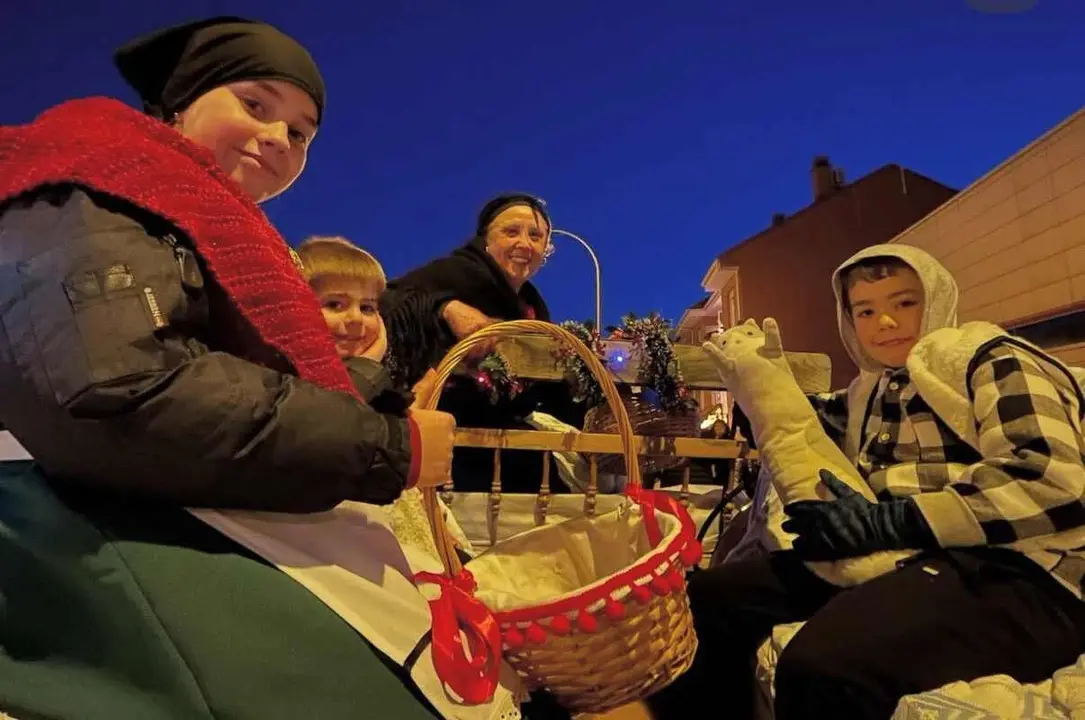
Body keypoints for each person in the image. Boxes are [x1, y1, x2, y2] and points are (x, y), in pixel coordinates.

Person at [0, 17, 460, 719]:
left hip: (131, 510)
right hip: (78, 545)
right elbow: (119, 390)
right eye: (255, 104)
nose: (278, 137)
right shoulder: (89, 181)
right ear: (182, 101)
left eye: (301, 133)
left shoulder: (184, 211)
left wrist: (372, 389)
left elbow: (213, 362)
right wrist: (388, 448)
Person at [647, 244, 1085, 719]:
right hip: (905, 558)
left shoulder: (990, 360)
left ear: (936, 299)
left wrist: (887, 521)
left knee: (823, 666)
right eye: (866, 310)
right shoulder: (868, 392)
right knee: (707, 599)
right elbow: (801, 423)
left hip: (1025, 571)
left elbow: (1052, 478)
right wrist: (761, 385)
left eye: (904, 303)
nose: (886, 323)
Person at [382, 193, 582, 493]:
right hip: (448, 432)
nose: (524, 244)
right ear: (485, 241)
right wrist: (445, 307)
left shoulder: (531, 307)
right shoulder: (456, 273)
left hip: (499, 432)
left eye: (536, 236)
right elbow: (386, 300)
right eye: (511, 232)